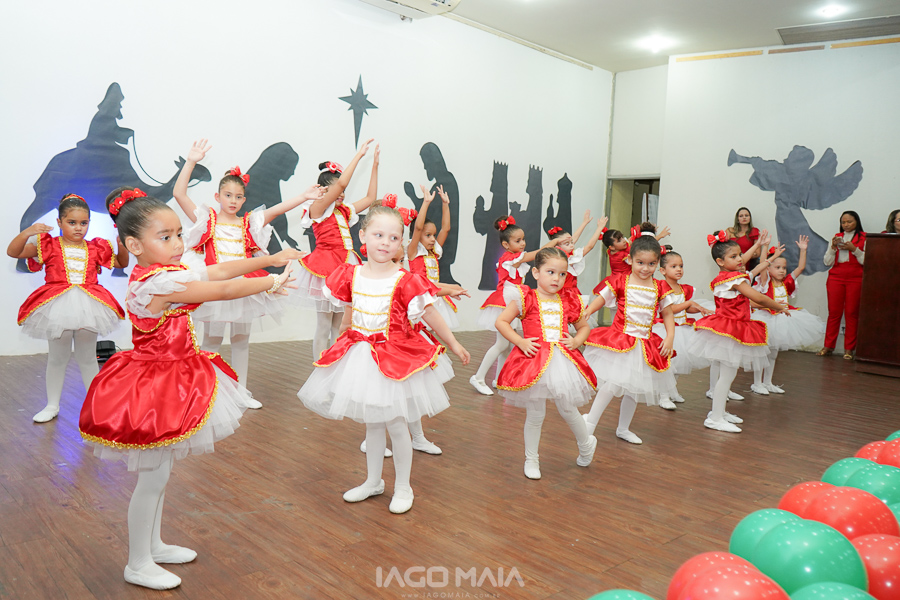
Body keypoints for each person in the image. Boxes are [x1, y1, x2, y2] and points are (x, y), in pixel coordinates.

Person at [79, 187, 301, 590]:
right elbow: (222, 290)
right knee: (152, 478)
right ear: (134, 245)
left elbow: (218, 272)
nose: (179, 243)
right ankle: (137, 562)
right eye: (166, 237)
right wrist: (270, 281)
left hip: (174, 378)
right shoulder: (155, 284)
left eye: (179, 234)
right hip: (154, 387)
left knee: (161, 473)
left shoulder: (166, 273)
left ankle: (155, 545)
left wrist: (269, 259)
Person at [298, 202, 470, 514]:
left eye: (394, 238)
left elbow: (430, 313)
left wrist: (454, 343)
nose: (385, 243)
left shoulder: (405, 279)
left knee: (397, 424)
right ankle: (373, 481)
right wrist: (341, 341)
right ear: (363, 235)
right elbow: (349, 312)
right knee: (373, 425)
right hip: (362, 355)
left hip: (395, 358)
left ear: (401, 242)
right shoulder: (350, 274)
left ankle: (403, 486)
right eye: (379, 235)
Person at [173, 139, 322, 404]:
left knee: (241, 340)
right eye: (228, 195)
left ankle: (241, 393)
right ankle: (205, 394)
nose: (233, 201)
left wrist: (303, 197)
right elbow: (179, 194)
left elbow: (276, 210)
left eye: (238, 196)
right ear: (218, 197)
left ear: (244, 199)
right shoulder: (207, 220)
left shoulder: (249, 223)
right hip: (216, 290)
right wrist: (191, 161)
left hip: (243, 288)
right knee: (212, 341)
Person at [8, 193, 127, 423]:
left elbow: (122, 263)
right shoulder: (48, 245)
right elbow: (13, 252)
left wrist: (122, 246)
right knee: (57, 357)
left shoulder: (96, 247)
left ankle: (95, 405)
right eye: (72, 222)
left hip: (89, 305)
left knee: (88, 357)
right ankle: (52, 405)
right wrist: (27, 232)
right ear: (59, 222)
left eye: (84, 223)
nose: (78, 228)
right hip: (58, 305)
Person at [494, 247, 597, 480]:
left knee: (568, 409)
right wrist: (520, 341)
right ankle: (531, 459)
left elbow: (583, 327)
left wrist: (576, 341)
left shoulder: (568, 300)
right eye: (550, 272)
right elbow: (501, 322)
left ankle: (586, 443)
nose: (556, 279)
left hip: (562, 361)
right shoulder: (525, 298)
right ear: (536, 273)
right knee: (535, 413)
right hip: (534, 361)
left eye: (562, 274)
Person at [688, 231, 788, 433]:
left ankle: (719, 411)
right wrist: (778, 306)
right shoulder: (733, 279)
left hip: (731, 328)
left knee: (728, 374)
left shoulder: (726, 277)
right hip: (730, 329)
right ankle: (715, 418)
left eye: (740, 254)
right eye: (734, 256)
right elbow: (758, 297)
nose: (740, 259)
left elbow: (753, 273)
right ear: (720, 261)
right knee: (726, 375)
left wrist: (759, 247)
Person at [581, 235, 676, 445]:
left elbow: (668, 314)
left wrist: (670, 337)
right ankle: (590, 423)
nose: (645, 268)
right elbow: (602, 298)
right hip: (621, 341)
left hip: (644, 344)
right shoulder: (620, 281)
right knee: (612, 385)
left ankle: (623, 428)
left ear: (657, 263)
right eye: (640, 263)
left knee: (634, 389)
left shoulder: (660, 286)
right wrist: (588, 311)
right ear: (630, 260)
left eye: (651, 264)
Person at [295, 140, 378, 361]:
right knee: (324, 325)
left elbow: (370, 199)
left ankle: (336, 366)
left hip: (346, 267)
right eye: (336, 191)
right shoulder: (317, 208)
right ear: (323, 191)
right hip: (326, 268)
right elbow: (341, 184)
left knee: (339, 325)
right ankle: (319, 369)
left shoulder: (344, 211)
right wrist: (359, 155)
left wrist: (375, 166)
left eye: (342, 192)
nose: (341, 194)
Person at [470, 216, 558, 395]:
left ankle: (499, 379)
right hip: (504, 301)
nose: (523, 243)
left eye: (523, 239)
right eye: (518, 241)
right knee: (502, 344)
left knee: (506, 344)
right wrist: (555, 242)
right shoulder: (512, 258)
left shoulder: (513, 258)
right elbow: (539, 254)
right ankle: (478, 377)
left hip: (512, 300)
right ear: (506, 244)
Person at [750, 236, 825, 395]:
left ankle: (768, 382)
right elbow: (762, 263)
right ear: (769, 268)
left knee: (773, 354)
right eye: (777, 267)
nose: (782, 270)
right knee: (762, 353)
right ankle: (757, 383)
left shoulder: (787, 282)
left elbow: (800, 268)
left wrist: (803, 250)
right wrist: (765, 247)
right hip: (766, 319)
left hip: (782, 319)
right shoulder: (765, 282)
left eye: (784, 268)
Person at [651, 249, 712, 410]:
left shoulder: (683, 288)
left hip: (682, 328)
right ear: (663, 270)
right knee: (668, 364)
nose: (678, 269)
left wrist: (698, 309)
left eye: (681, 266)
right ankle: (663, 396)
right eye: (674, 266)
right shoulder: (661, 287)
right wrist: (689, 303)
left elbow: (685, 308)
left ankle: (672, 391)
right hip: (666, 330)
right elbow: (670, 309)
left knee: (679, 363)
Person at [408, 184, 468, 328]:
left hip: (435, 295)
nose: (433, 239)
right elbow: (418, 227)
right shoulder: (413, 251)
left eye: (434, 235)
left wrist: (445, 204)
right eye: (428, 235)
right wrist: (426, 202)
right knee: (421, 332)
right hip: (420, 298)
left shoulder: (434, 252)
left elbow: (446, 228)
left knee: (435, 332)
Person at [820, 211, 866, 360]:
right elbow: (827, 261)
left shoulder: (864, 238)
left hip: (855, 278)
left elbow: (866, 261)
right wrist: (833, 247)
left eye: (849, 222)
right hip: (836, 277)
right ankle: (828, 346)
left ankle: (849, 349)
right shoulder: (836, 237)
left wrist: (854, 249)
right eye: (843, 222)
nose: (846, 225)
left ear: (856, 222)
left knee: (852, 313)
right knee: (834, 313)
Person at [546, 211, 608, 304]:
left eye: (572, 242)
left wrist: (584, 223)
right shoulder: (563, 258)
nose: (572, 245)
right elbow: (589, 246)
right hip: (564, 294)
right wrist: (599, 228)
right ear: (557, 246)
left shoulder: (566, 254)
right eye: (567, 244)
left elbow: (572, 239)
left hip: (569, 292)